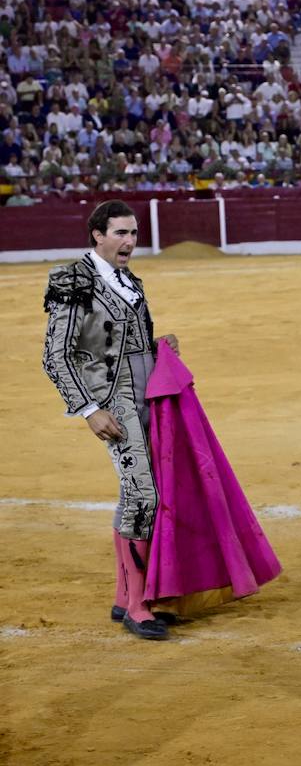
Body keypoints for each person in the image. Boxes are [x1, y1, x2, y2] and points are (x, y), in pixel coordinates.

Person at [41, 200, 179, 639]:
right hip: (112, 403)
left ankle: (126, 596)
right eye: (121, 232)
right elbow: (55, 355)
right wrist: (88, 410)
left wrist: (159, 346)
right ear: (97, 233)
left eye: (134, 233)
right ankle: (139, 605)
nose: (130, 241)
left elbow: (120, 344)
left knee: (134, 491)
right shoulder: (73, 281)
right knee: (143, 495)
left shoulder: (128, 280)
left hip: (145, 397)